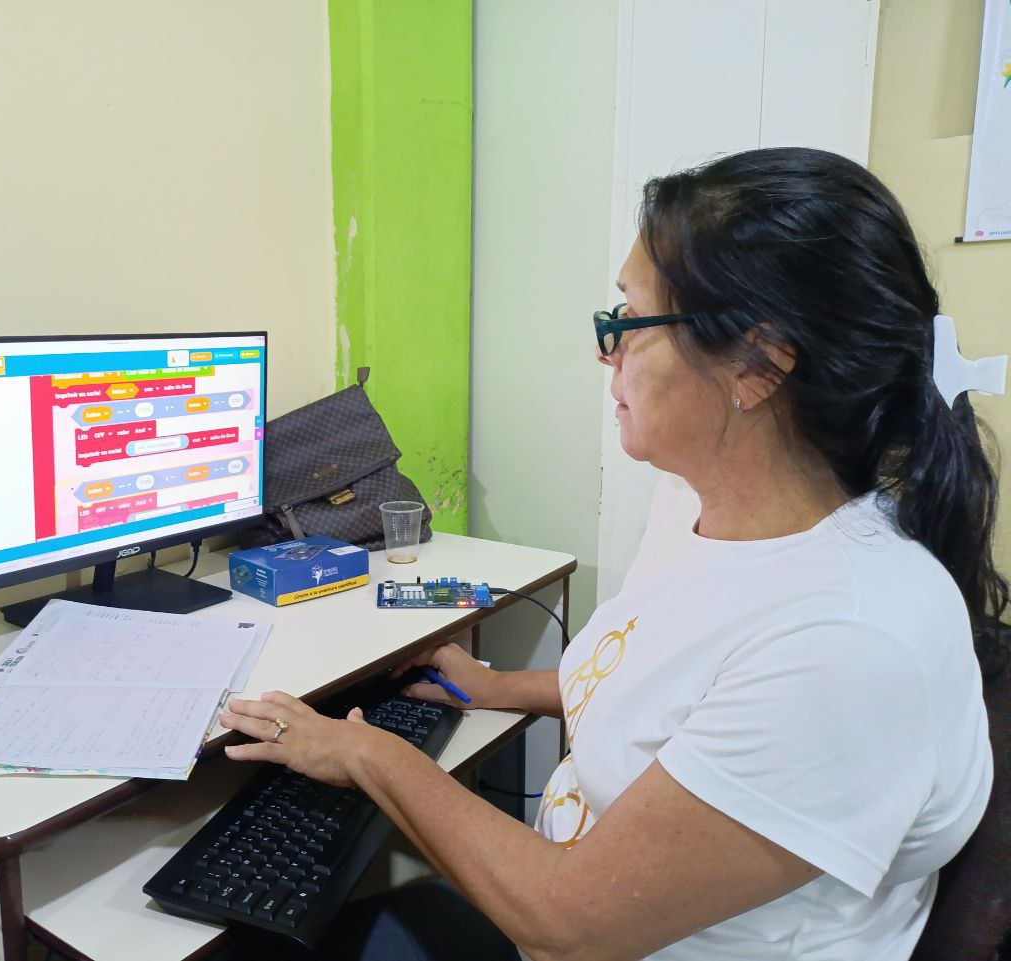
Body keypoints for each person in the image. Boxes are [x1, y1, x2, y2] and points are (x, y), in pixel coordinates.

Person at [219, 147, 1002, 960]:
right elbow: (664, 688)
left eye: (630, 320)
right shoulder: (699, 505)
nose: (607, 350)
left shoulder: (850, 643)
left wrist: (365, 750)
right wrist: (497, 685)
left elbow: (566, 922)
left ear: (758, 365)